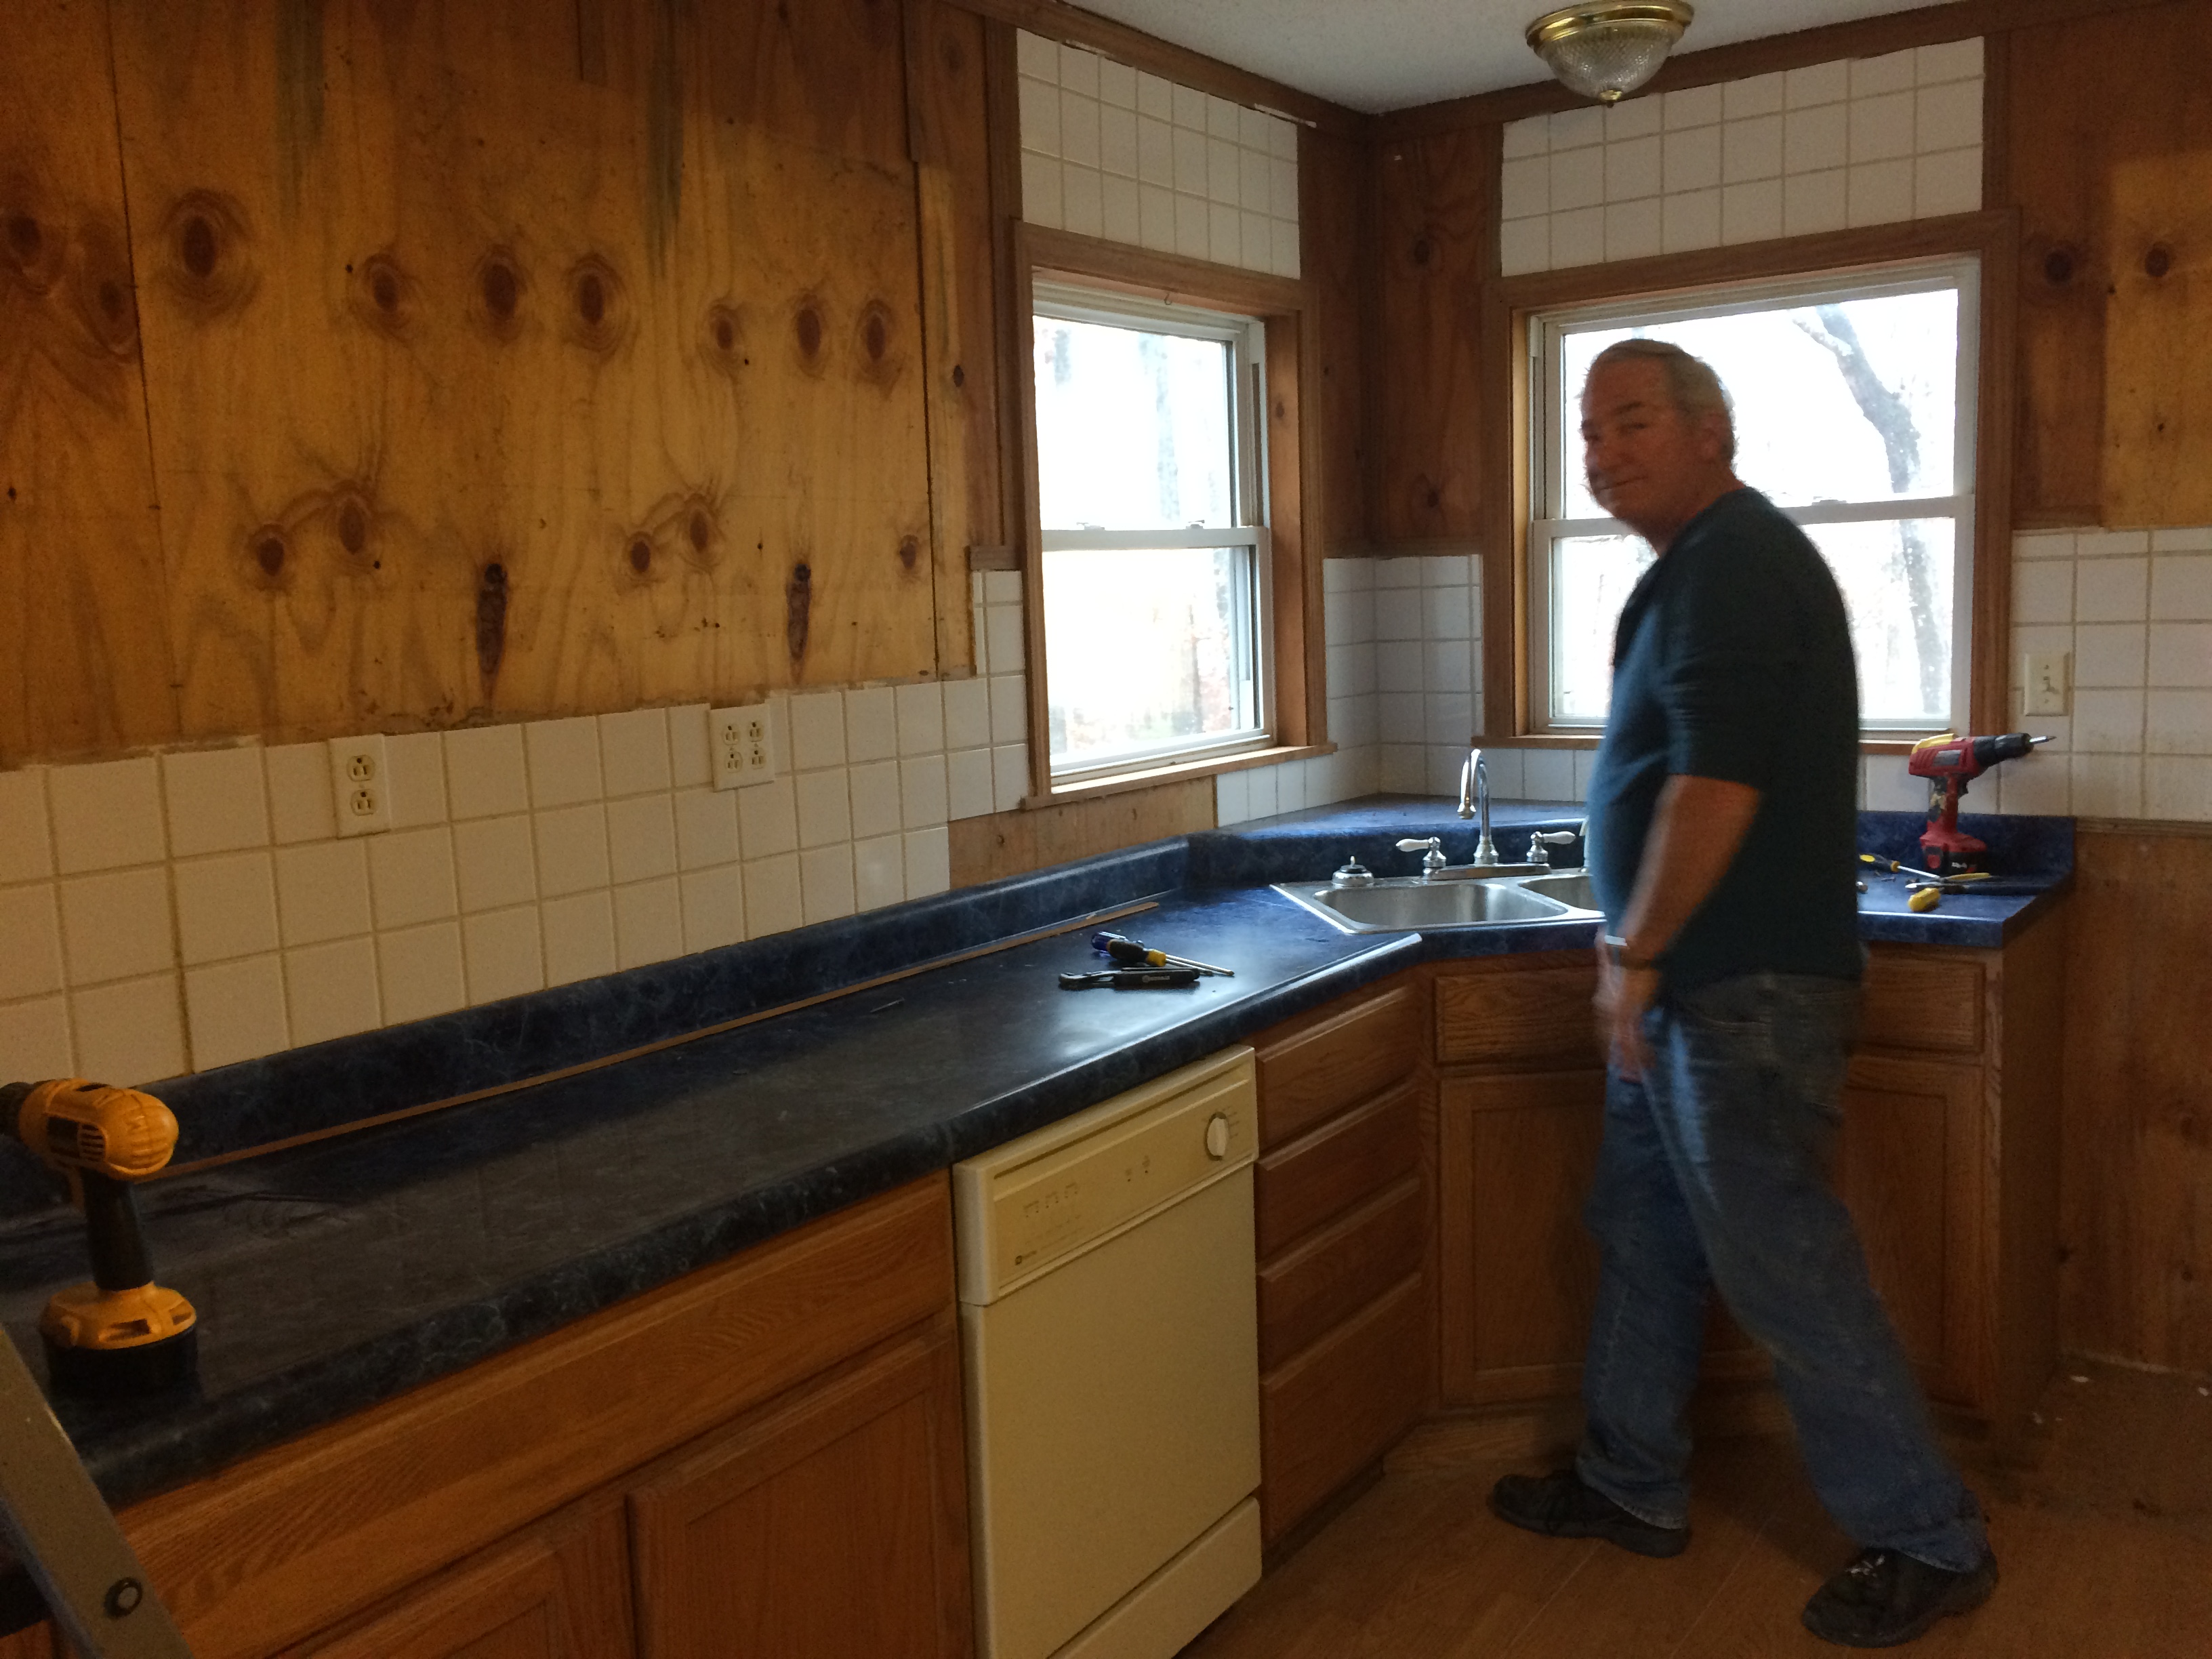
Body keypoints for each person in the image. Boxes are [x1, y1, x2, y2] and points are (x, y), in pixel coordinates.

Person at [1487, 340, 1998, 1648]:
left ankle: (1929, 1536)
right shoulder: (1697, 569)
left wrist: (1640, 951)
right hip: (1690, 987)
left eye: (1631, 422)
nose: (1601, 453)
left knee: (1785, 1267)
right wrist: (1636, 957)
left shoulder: (1736, 566)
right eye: (1589, 431)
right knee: (1646, 1229)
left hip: (1734, 991)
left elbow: (1717, 786)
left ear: (1711, 430)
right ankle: (1631, 1481)